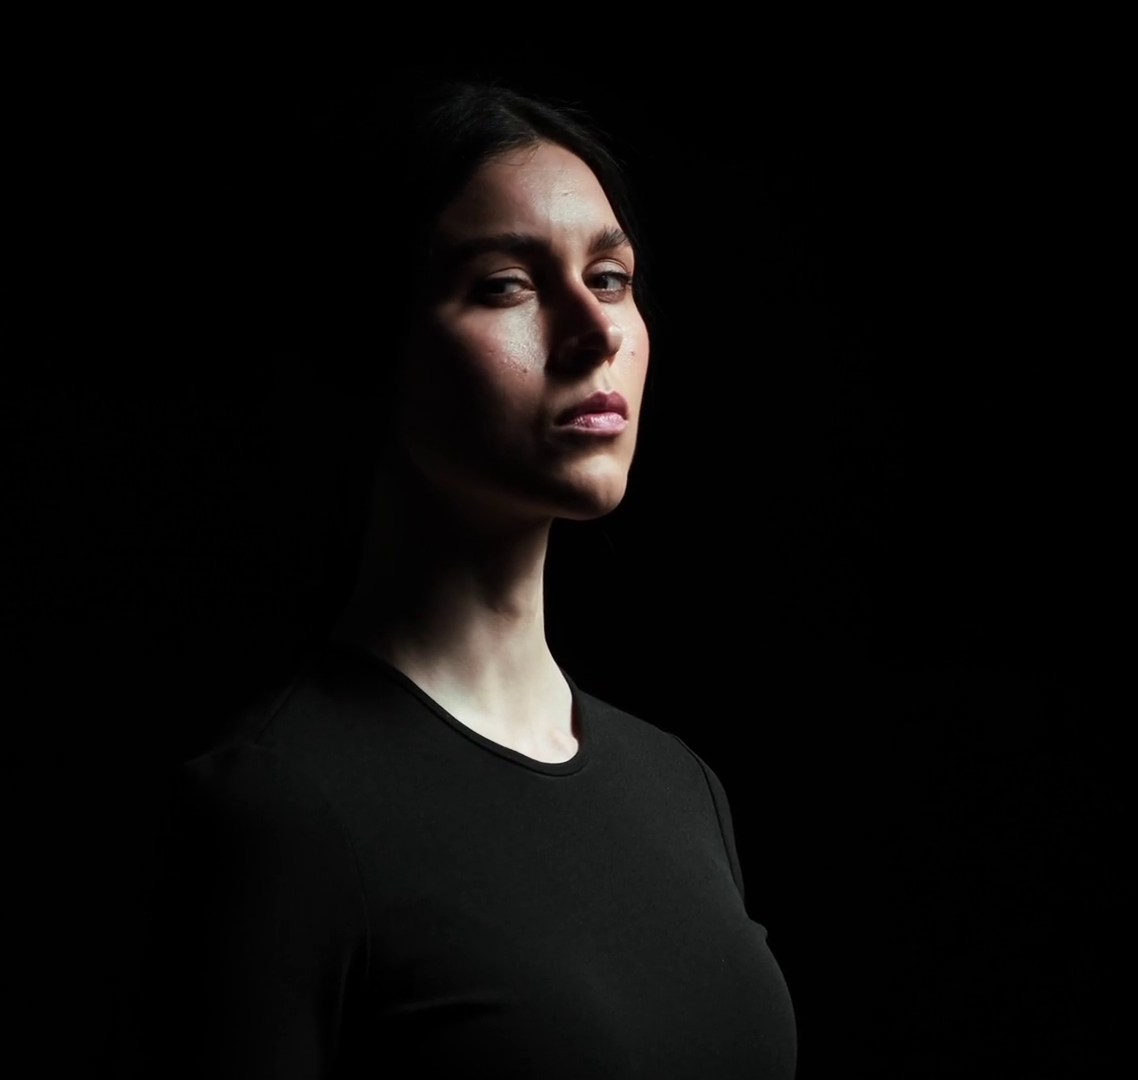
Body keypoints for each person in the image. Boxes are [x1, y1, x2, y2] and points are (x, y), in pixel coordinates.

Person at [110, 80, 798, 1078]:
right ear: (373, 342)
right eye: (507, 285)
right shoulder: (277, 810)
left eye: (610, 278)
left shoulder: (683, 790)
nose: (597, 330)